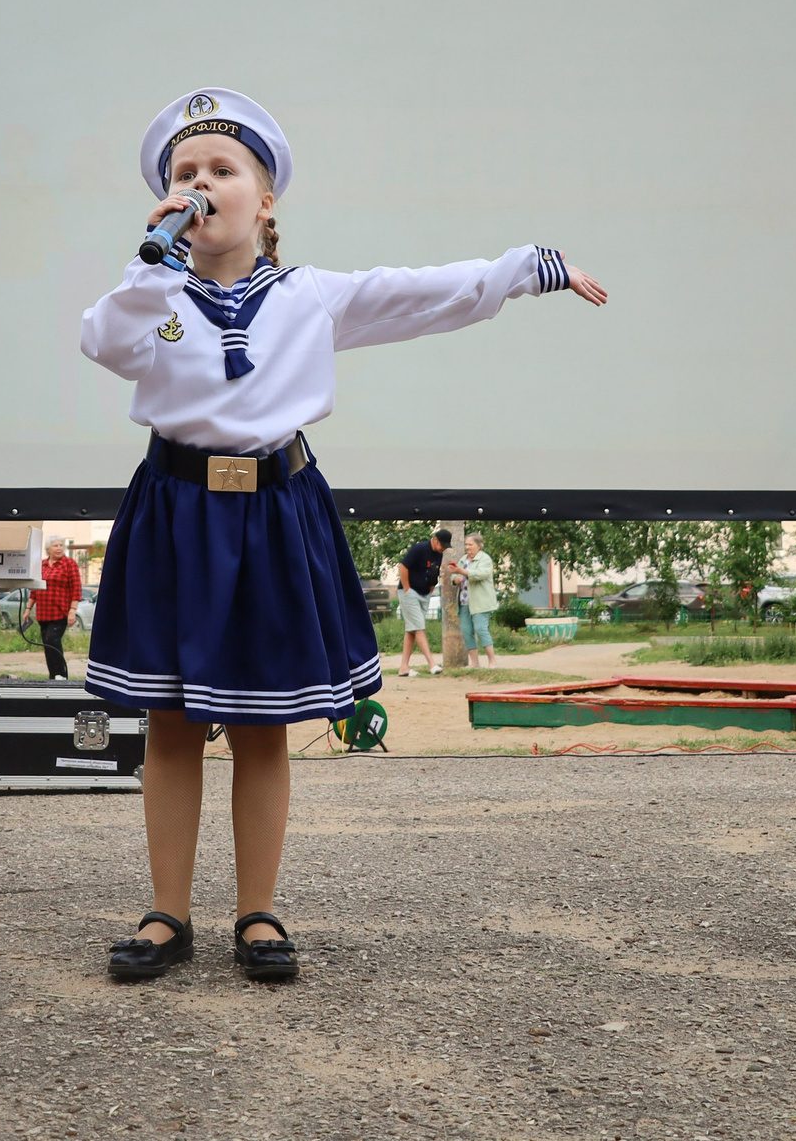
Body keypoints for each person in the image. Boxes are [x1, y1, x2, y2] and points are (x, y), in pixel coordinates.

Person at [81, 87, 606, 984]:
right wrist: (151, 261)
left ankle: (257, 911)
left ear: (266, 198)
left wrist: (525, 268)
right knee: (169, 721)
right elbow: (104, 341)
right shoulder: (152, 295)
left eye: (221, 170)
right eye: (183, 174)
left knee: (263, 725)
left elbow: (422, 292)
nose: (200, 185)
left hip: (275, 514)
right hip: (176, 513)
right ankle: (168, 910)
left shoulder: (309, 295)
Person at [395, 529, 450, 676]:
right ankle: (432, 664)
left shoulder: (439, 553)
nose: (443, 548)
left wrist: (431, 589)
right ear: (435, 540)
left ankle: (404, 668)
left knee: (412, 630)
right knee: (419, 627)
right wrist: (407, 589)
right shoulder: (420, 549)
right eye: (442, 545)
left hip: (425, 593)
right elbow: (403, 566)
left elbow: (434, 572)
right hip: (410, 592)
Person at [30, 536, 83, 681]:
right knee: (47, 644)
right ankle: (53, 676)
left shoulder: (69, 564)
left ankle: (62, 674)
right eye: (55, 545)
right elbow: (34, 589)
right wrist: (28, 609)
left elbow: (76, 588)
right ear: (48, 549)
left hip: (60, 612)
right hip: (43, 613)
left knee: (52, 640)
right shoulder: (41, 565)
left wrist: (73, 610)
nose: (59, 548)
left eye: (61, 545)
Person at [451, 532, 499, 670]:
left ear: (479, 546)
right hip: (464, 601)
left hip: (481, 601)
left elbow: (481, 574)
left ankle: (492, 662)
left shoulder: (485, 559)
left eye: (470, 544)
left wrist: (463, 572)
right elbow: (454, 575)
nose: (467, 547)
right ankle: (474, 663)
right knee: (466, 631)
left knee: (480, 629)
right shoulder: (463, 559)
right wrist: (455, 578)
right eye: (466, 544)